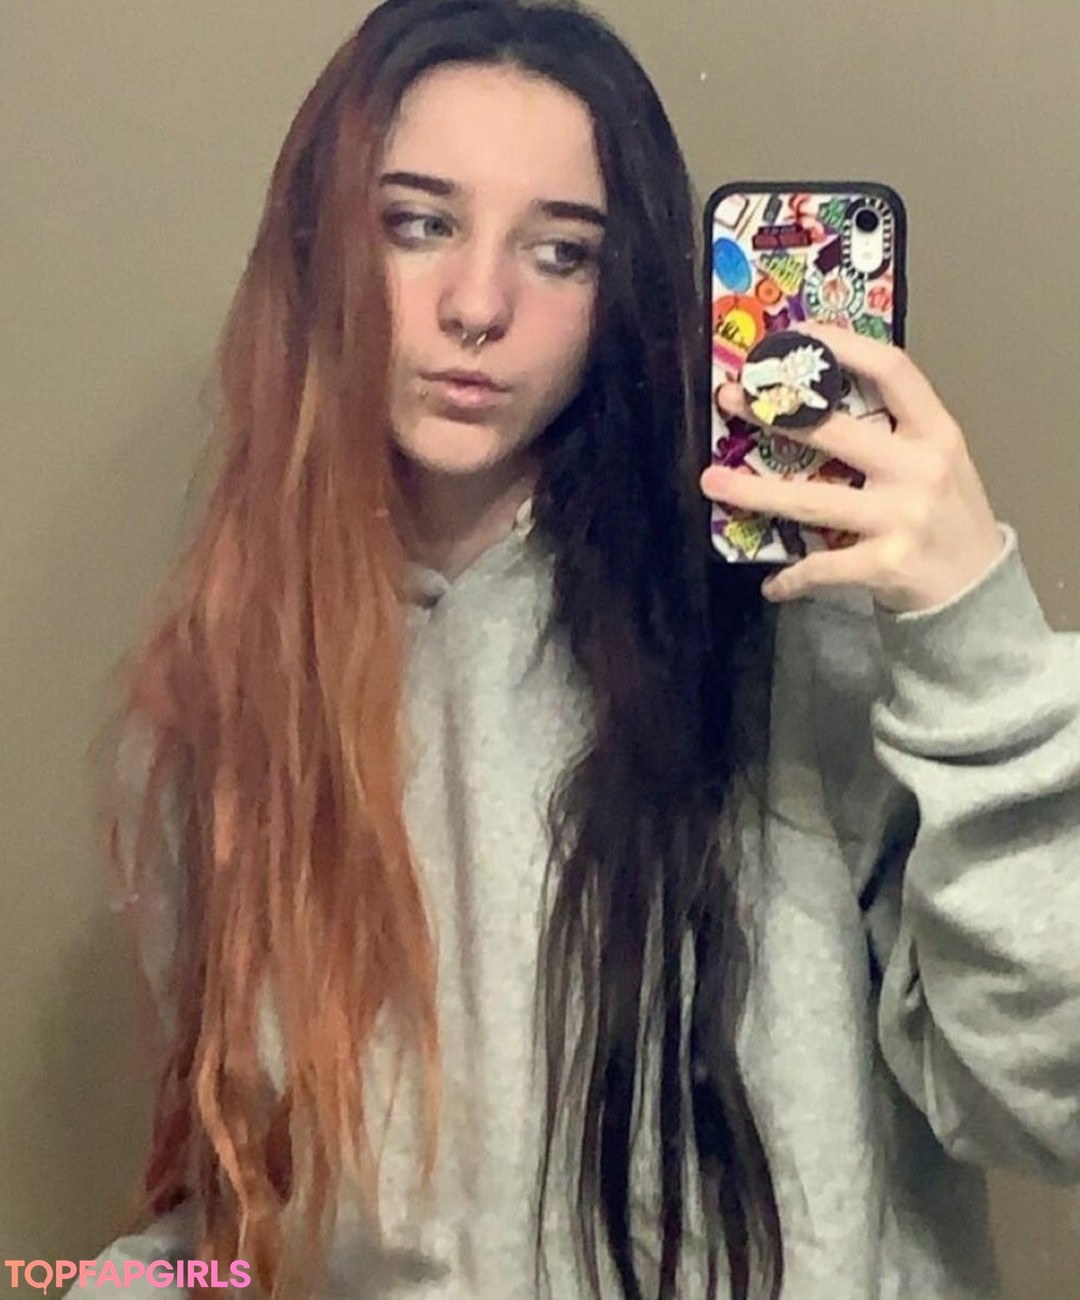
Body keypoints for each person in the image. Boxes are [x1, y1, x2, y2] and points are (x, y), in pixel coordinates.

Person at [75, 0, 1080, 1297]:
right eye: (418, 224)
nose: (477, 306)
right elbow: (254, 1224)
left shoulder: (792, 630)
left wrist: (973, 644)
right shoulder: (234, 702)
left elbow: (1053, 1101)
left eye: (560, 253)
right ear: (321, 245)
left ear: (623, 293)